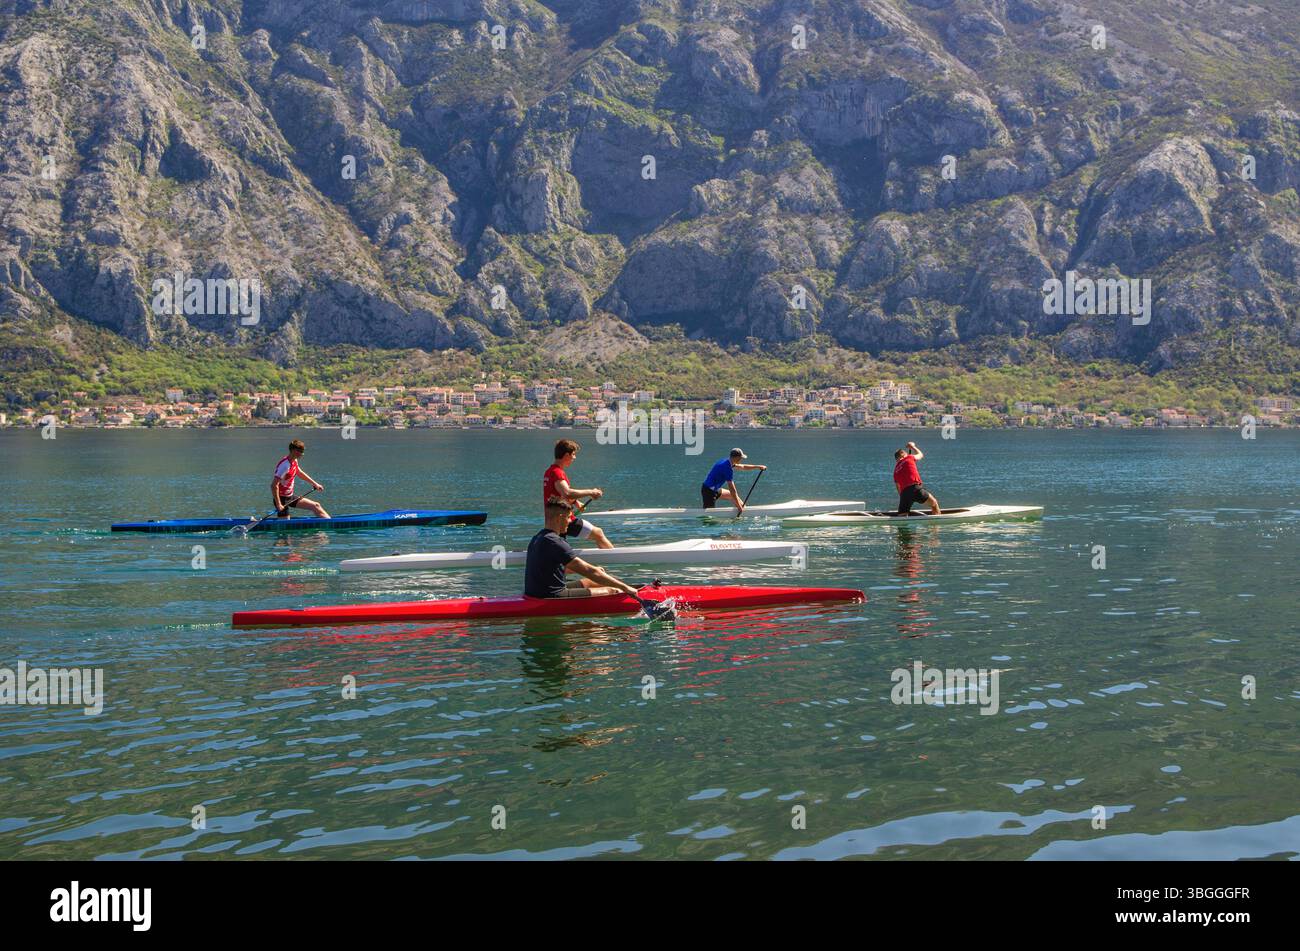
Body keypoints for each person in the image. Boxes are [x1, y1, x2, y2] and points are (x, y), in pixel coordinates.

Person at [525, 502, 641, 599]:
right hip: (550, 596)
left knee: (593, 581)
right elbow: (590, 571)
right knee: (613, 591)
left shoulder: (538, 537)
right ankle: (631, 594)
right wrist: (624, 588)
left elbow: (559, 568)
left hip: (537, 592)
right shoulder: (555, 542)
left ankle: (633, 588)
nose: (570, 521)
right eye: (568, 517)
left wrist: (597, 570)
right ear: (560, 518)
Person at [543, 438, 613, 549]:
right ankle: (613, 557)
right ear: (566, 455)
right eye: (573, 454)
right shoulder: (557, 473)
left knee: (559, 548)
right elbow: (567, 493)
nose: (574, 458)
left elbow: (558, 494)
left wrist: (575, 502)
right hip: (564, 519)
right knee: (598, 533)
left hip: (555, 519)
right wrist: (591, 492)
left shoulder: (550, 471)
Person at [272, 439, 330, 518]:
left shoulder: (294, 461)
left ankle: (329, 524)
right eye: (300, 451)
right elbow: (274, 485)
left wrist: (315, 484)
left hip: (290, 497)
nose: (302, 454)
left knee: (316, 506)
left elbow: (299, 472)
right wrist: (278, 504)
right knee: (286, 526)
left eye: (302, 451)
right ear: (293, 451)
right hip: (281, 499)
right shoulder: (285, 466)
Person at [700, 448, 767, 512]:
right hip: (708, 491)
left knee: (730, 495)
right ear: (736, 457)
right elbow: (732, 490)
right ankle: (741, 509)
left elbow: (743, 467)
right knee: (708, 517)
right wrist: (738, 506)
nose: (741, 459)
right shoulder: (727, 468)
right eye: (740, 457)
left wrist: (758, 466)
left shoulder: (727, 461)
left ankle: (745, 510)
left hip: (715, 488)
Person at [893, 441, 940, 516]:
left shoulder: (895, 471)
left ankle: (902, 525)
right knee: (934, 504)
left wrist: (904, 499)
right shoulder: (909, 457)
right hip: (915, 489)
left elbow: (898, 488)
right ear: (903, 455)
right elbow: (920, 455)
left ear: (896, 459)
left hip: (904, 494)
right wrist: (912, 447)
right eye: (906, 454)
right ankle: (936, 526)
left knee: (902, 517)